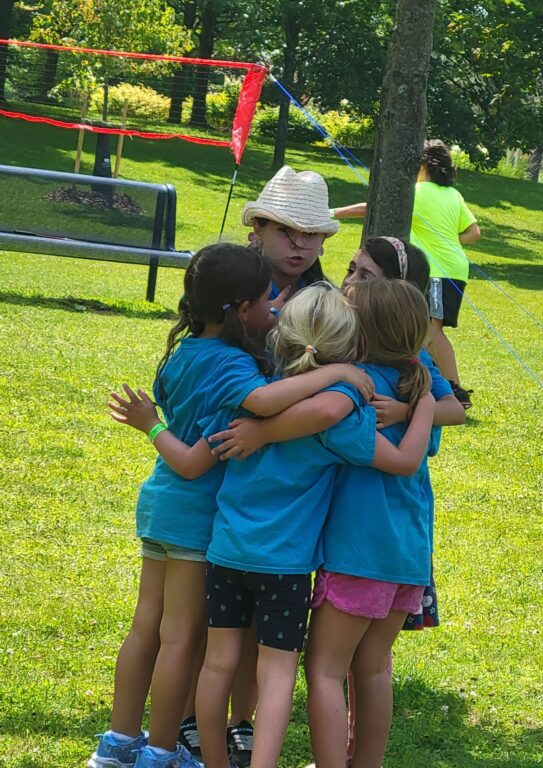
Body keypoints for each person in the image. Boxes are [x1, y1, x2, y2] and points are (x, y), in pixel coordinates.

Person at [95, 244, 370, 768]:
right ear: (241, 308)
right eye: (268, 302)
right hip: (197, 519)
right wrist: (338, 373)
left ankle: (117, 742)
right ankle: (158, 750)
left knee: (144, 627)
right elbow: (261, 408)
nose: (273, 311)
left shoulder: (183, 354)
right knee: (179, 638)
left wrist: (152, 424)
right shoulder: (231, 366)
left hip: (159, 506)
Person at [192, 283, 434, 768]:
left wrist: (260, 431)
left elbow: (297, 413)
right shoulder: (402, 389)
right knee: (361, 669)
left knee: (289, 668)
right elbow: (405, 451)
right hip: (367, 558)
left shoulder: (255, 393)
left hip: (254, 553)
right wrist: (422, 407)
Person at [177, 163, 351, 767]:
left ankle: (243, 724)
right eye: (287, 230)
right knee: (201, 618)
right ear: (257, 228)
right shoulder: (225, 284)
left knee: (254, 633)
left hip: (287, 496)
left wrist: (264, 431)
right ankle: (192, 723)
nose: (301, 244)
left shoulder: (328, 301)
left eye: (314, 234)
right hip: (216, 484)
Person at [305, 278, 437, 768]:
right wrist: (421, 408)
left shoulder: (354, 387)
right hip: (408, 554)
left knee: (324, 670)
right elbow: (429, 442)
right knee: (374, 668)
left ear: (356, 331)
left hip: (358, 554)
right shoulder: (417, 386)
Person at [334, 140, 481, 408]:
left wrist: (334, 212)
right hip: (456, 268)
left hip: (436, 268)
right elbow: (474, 233)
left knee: (430, 328)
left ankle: (455, 389)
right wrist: (448, 241)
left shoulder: (416, 191)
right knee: (428, 326)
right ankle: (428, 381)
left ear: (422, 164)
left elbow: (369, 208)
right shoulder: (453, 195)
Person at [244, 165, 339, 307]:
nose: (298, 244)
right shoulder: (236, 290)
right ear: (258, 228)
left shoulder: (328, 304)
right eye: (285, 230)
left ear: (323, 239)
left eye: (311, 233)